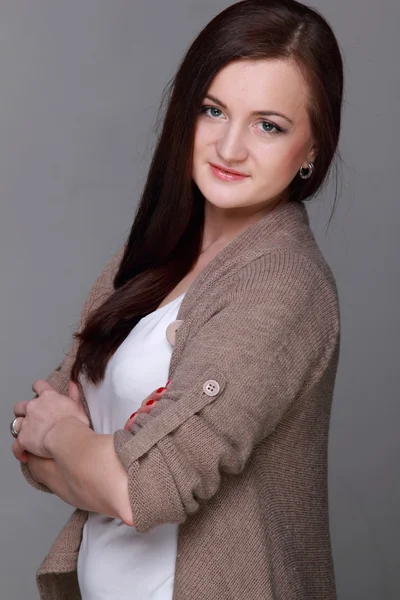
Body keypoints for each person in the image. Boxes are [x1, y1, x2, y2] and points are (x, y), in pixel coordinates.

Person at [10, 0, 344, 598]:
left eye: (269, 125)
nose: (230, 147)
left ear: (313, 147)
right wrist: (87, 455)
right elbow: (30, 445)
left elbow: (145, 487)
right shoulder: (151, 255)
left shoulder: (283, 285)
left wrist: (67, 438)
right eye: (212, 110)